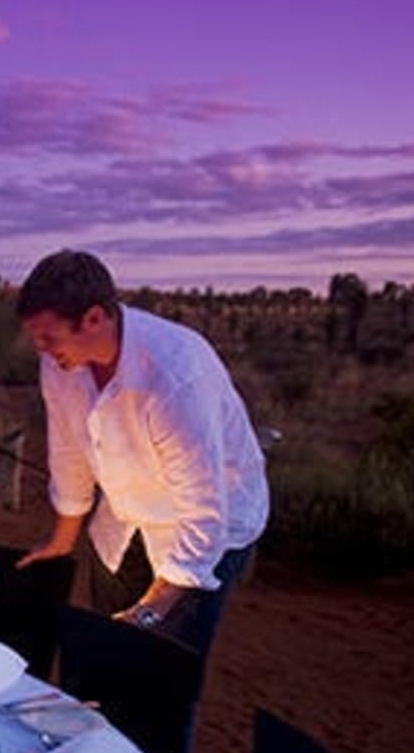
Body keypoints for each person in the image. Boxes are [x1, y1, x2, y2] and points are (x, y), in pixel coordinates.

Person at [15, 250, 268, 655]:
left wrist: (151, 611)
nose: (41, 350)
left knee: (161, 673)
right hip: (124, 516)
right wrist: (62, 542)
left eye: (50, 337)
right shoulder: (60, 365)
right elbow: (69, 452)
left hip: (208, 529)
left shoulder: (174, 374)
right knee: (108, 659)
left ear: (94, 318)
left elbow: (204, 508)